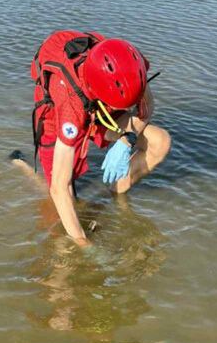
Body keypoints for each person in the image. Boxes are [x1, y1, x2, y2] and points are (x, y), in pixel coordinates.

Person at [14, 30, 171, 247]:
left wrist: (127, 140)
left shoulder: (131, 65)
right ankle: (21, 164)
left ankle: (114, 192)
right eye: (123, 107)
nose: (127, 110)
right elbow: (60, 188)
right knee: (59, 203)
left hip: (97, 99)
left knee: (160, 141)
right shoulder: (70, 108)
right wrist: (83, 245)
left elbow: (146, 108)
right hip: (58, 111)